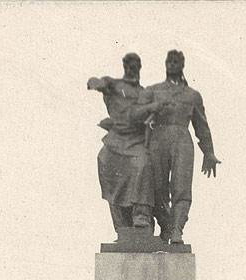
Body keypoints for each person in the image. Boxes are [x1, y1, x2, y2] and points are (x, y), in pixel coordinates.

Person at [141, 50, 221, 244]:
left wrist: (208, 152)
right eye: (169, 60)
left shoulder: (192, 95)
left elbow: (201, 126)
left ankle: (177, 229)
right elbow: (138, 114)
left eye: (176, 61)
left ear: (182, 65)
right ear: (165, 63)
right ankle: (166, 225)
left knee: (181, 187)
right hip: (158, 139)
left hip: (182, 140)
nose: (172, 64)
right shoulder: (153, 90)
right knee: (157, 188)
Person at [88, 53, 169, 233]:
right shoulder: (114, 84)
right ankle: (122, 225)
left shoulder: (145, 92)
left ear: (139, 67)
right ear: (124, 66)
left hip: (137, 140)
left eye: (135, 65)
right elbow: (99, 82)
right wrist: (96, 83)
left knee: (143, 165)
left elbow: (145, 115)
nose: (132, 69)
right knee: (105, 159)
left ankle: (142, 215)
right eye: (129, 65)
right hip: (116, 139)